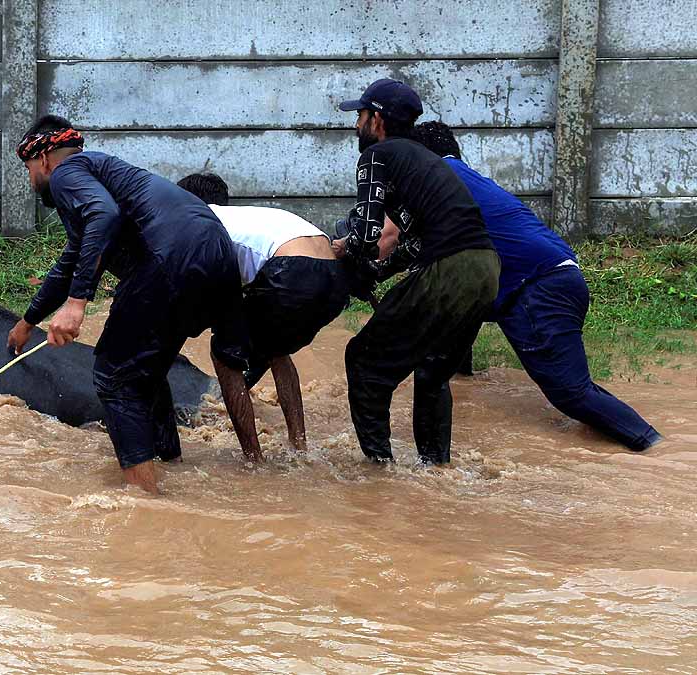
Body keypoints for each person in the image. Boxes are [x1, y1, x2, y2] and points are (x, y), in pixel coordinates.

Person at [5, 115, 257, 493]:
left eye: (27, 169)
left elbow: (103, 215)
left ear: (42, 158)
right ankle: (170, 462)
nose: (30, 180)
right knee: (146, 371)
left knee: (114, 376)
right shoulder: (101, 173)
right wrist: (28, 321)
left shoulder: (65, 173)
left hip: (170, 256)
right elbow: (73, 259)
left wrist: (76, 303)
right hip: (218, 256)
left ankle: (145, 500)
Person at [412, 121, 662, 450]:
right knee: (454, 300)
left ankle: (655, 447)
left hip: (537, 288)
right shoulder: (468, 181)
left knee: (572, 394)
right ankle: (461, 375)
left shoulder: (437, 177)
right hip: (557, 275)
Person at [333, 78, 500, 465]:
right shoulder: (424, 161)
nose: (356, 124)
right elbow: (413, 243)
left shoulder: (377, 155)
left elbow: (367, 233)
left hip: (451, 267)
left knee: (363, 361)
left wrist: (343, 251)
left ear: (376, 120)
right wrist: (377, 271)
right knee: (433, 371)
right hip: (487, 269)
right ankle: (435, 470)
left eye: (360, 115)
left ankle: (379, 472)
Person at [176, 172, 349, 451]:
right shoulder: (249, 216)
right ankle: (299, 447)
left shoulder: (199, 218)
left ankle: (252, 458)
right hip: (335, 278)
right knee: (276, 349)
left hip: (292, 269)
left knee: (223, 355)